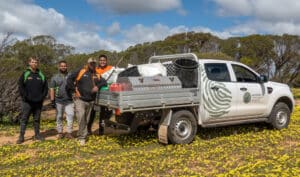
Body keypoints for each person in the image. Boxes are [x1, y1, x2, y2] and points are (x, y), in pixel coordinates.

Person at [66, 57, 106, 145]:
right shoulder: (81, 71)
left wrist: (97, 87)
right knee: (81, 117)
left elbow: (104, 82)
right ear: (88, 63)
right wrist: (74, 91)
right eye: (91, 63)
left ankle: (80, 133)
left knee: (86, 120)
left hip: (91, 101)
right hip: (80, 100)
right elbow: (69, 79)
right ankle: (82, 138)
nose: (93, 65)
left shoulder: (97, 73)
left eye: (94, 63)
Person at [17, 57, 48, 144]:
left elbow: (45, 87)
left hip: (38, 102)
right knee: (24, 119)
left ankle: (37, 135)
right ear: (29, 63)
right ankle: (21, 136)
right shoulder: (25, 73)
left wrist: (42, 97)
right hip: (27, 102)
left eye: (36, 62)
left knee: (36, 119)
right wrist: (25, 96)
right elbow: (20, 86)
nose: (34, 64)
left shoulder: (41, 74)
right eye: (33, 62)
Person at [87, 54, 113, 135]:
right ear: (99, 61)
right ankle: (88, 129)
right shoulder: (95, 69)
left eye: (104, 60)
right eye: (101, 60)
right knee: (92, 113)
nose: (102, 62)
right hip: (95, 95)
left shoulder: (111, 69)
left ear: (106, 61)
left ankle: (101, 130)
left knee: (103, 114)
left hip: (106, 95)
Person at [49, 60, 74, 139]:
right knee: (59, 117)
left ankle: (69, 133)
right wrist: (52, 100)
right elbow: (52, 89)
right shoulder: (55, 77)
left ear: (67, 66)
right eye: (62, 66)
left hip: (69, 100)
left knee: (70, 116)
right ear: (59, 67)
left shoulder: (71, 75)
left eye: (65, 66)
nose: (63, 67)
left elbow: (75, 86)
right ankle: (60, 132)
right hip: (58, 101)